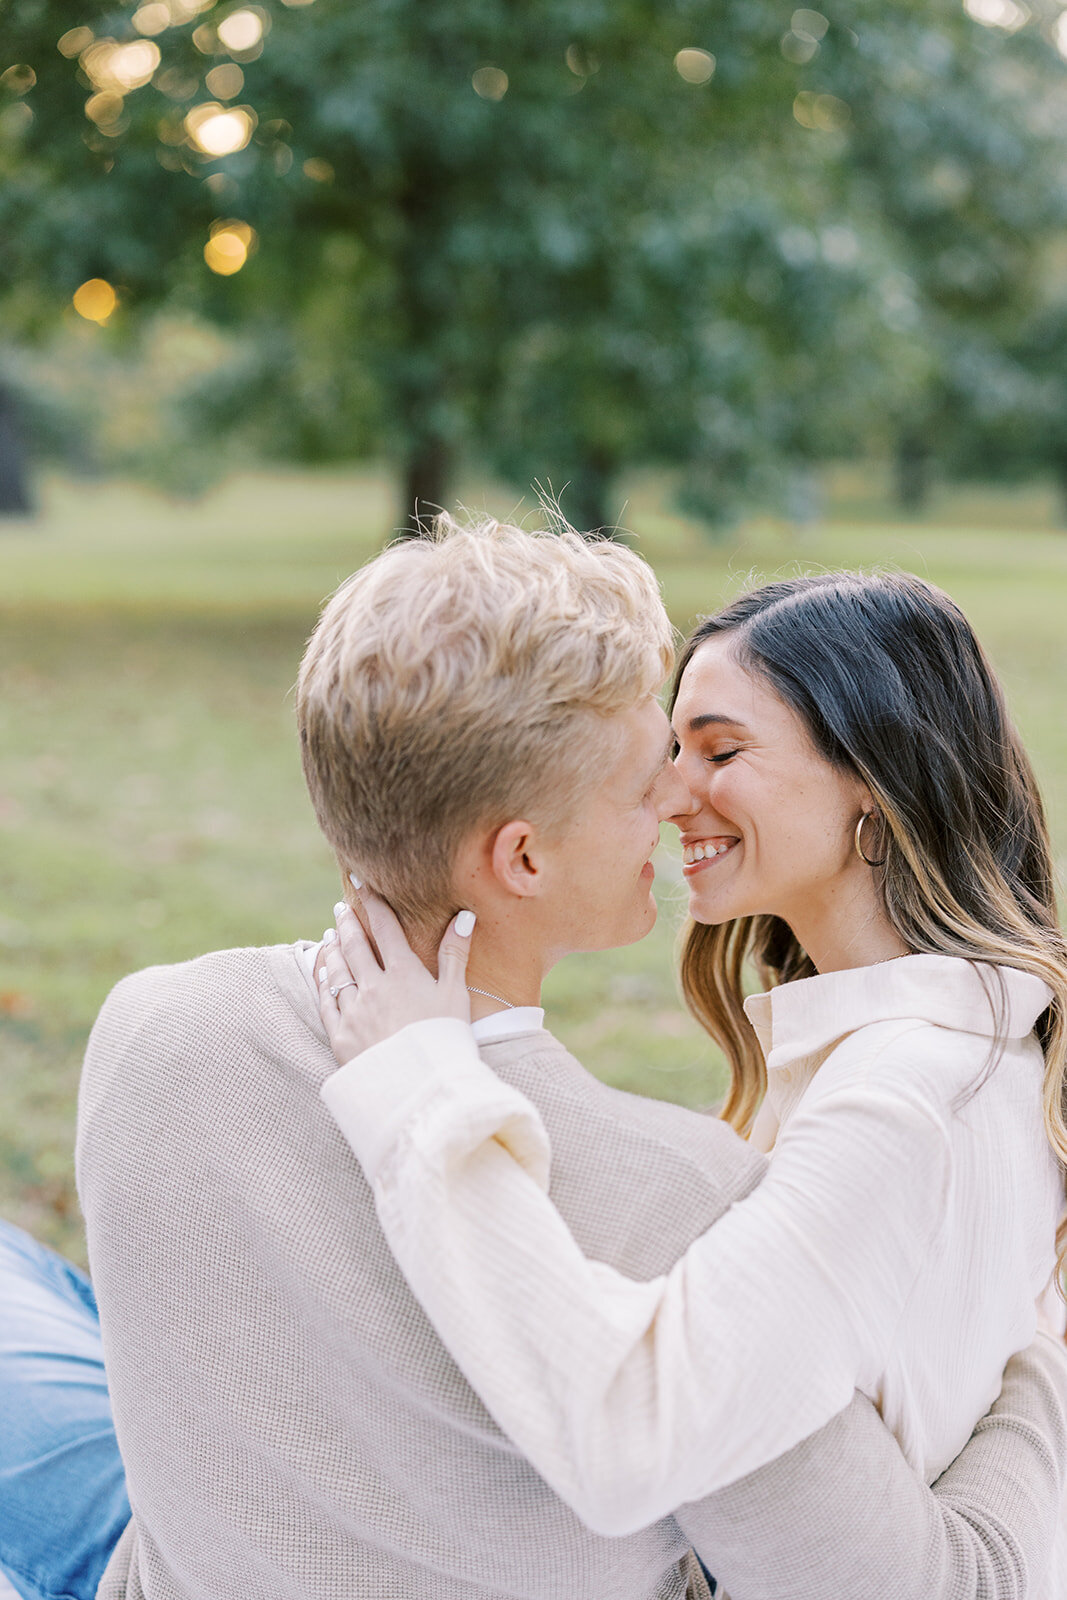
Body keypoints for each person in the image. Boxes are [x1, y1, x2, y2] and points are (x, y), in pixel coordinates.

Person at [1, 525, 1065, 1600]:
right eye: (647, 771)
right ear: (521, 855)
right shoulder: (682, 1197)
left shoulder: (153, 1023)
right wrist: (1038, 1363)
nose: (673, 798)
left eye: (706, 752)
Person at [312, 563, 1067, 1597]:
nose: (666, 794)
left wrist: (417, 1091)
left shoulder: (894, 1103)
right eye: (672, 749)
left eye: (719, 749)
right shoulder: (980, 1037)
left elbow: (627, 1432)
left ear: (873, 784)